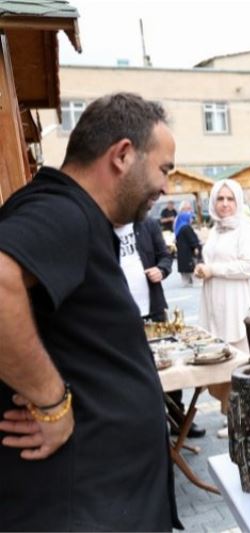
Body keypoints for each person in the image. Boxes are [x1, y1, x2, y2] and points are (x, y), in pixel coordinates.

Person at [0, 93, 180, 530]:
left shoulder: (76, 214)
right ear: (122, 155)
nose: (166, 188)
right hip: (83, 508)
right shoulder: (64, 211)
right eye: (164, 170)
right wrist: (51, 403)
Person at [116, 215, 206, 439]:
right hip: (120, 314)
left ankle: (178, 419)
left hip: (153, 308)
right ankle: (142, 425)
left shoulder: (147, 224)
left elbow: (165, 256)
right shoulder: (101, 227)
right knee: (129, 370)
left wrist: (161, 270)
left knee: (168, 363)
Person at [196, 179, 250, 355]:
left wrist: (213, 270)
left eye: (230, 199)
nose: (225, 204)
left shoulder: (246, 229)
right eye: (220, 198)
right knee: (218, 359)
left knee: (242, 360)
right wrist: (202, 269)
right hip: (214, 304)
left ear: (238, 201)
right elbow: (214, 260)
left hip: (238, 305)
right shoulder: (215, 230)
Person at [174, 201, 202, 287]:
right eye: (190, 218)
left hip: (182, 253)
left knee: (185, 274)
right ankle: (195, 282)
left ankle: (186, 283)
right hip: (188, 253)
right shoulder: (186, 227)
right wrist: (196, 247)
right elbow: (192, 239)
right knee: (192, 269)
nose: (191, 220)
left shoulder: (179, 226)